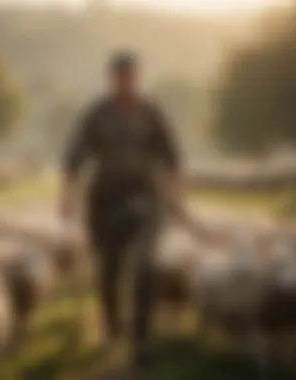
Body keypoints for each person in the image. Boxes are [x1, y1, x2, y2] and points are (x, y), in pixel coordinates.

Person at [60, 51, 188, 372]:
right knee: (109, 270)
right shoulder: (97, 113)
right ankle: (113, 325)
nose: (125, 82)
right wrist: (68, 197)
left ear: (137, 77)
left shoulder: (151, 112)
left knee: (145, 266)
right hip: (105, 199)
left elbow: (172, 156)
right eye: (120, 76)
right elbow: (74, 157)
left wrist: (178, 199)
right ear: (111, 78)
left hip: (145, 197)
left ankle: (141, 341)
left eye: (130, 76)